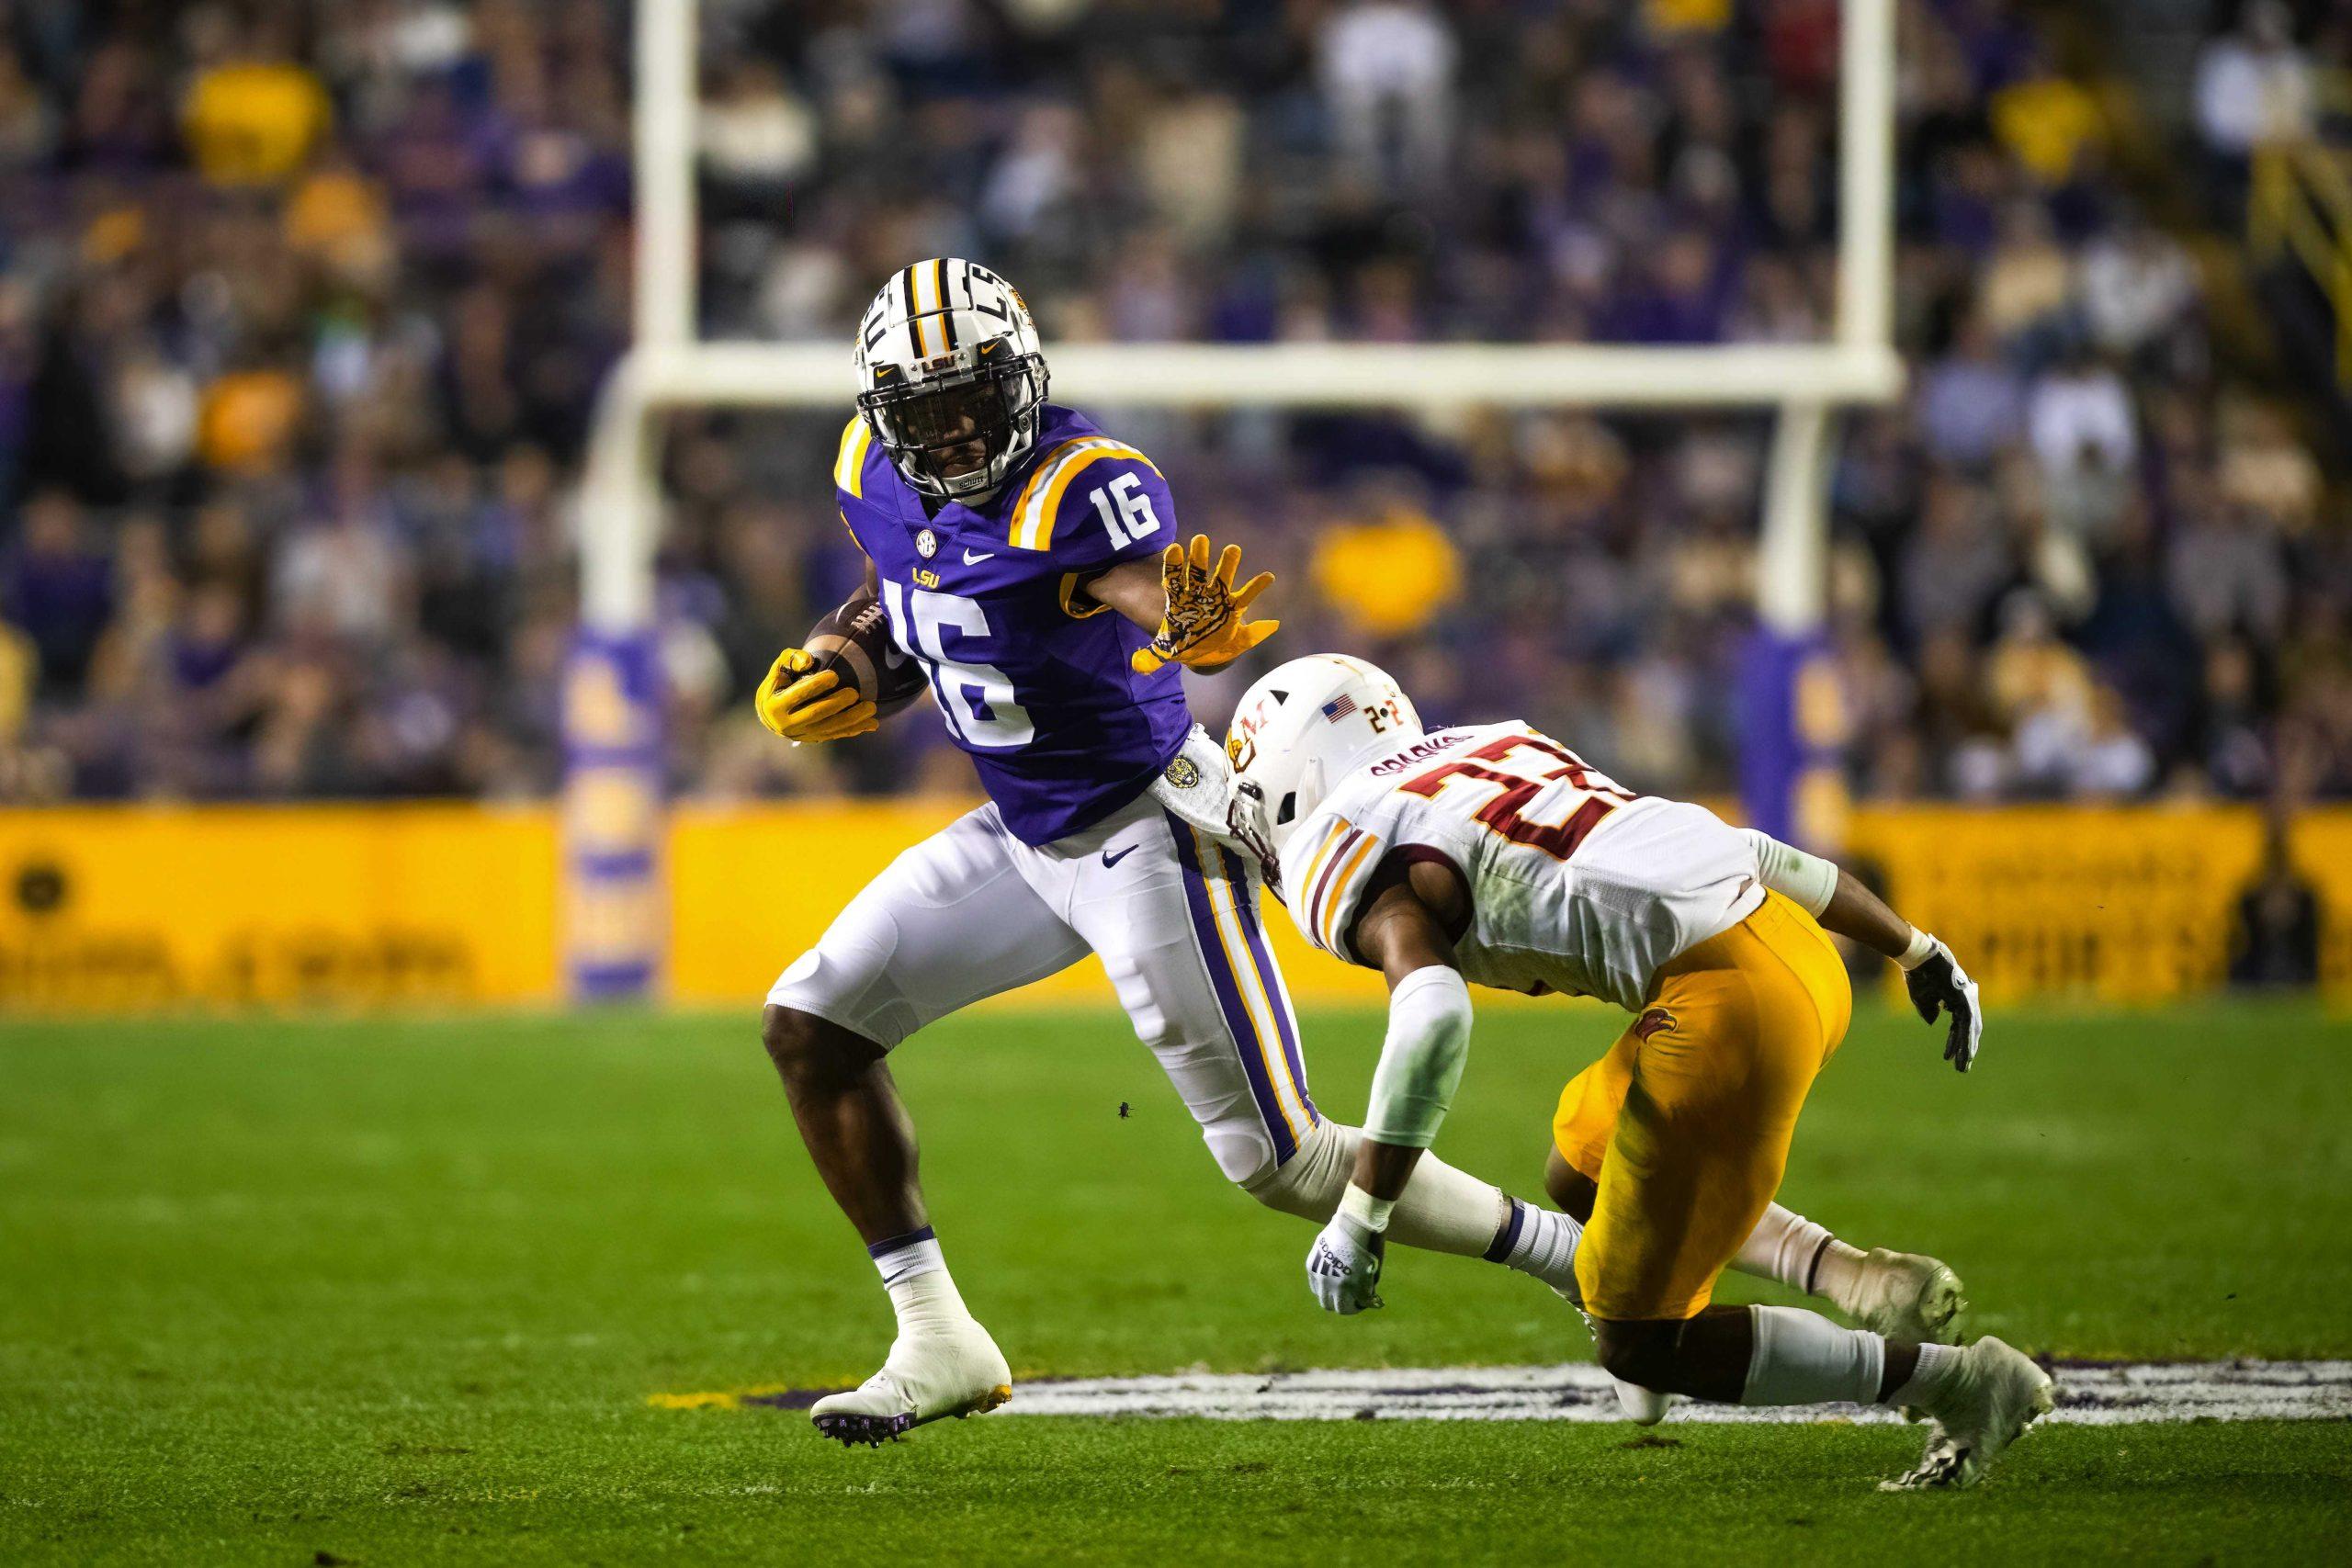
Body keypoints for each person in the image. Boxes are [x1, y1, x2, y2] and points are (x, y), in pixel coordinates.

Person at [753, 260, 1592, 1446]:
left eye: (970, 400)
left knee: (1286, 1159)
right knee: (812, 1023)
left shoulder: (1080, 488)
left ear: (1025, 378)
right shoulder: (870, 470)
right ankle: (937, 1331)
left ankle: (1579, 1254)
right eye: (923, 409)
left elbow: (1151, 595)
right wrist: (845, 654)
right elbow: (916, 590)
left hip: (1146, 829)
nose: (949, 431)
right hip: (1025, 830)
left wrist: (1188, 629)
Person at [1226, 652, 2051, 1489]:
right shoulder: (1489, 747)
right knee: (1581, 1160)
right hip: (1789, 943)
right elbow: (1750, 848)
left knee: (1646, 1345)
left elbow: (1434, 1015)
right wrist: (1916, 947)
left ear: (1292, 778)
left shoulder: (1346, 839)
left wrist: (1363, 1216)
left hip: (1732, 1005)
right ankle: (1858, 1276)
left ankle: (1964, 1383)